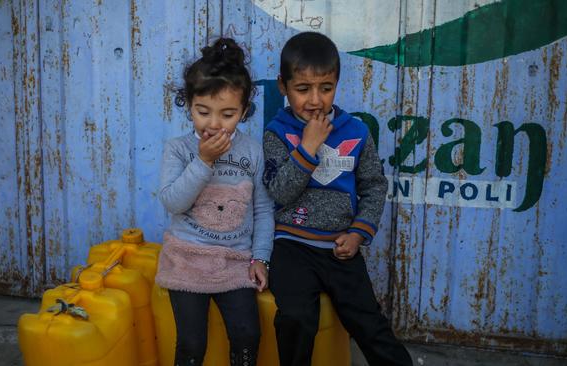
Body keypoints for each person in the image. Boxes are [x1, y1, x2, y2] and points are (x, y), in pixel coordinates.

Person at [262, 31, 413, 366]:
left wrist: (359, 232)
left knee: (368, 323)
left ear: (336, 85)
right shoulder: (276, 133)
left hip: (340, 248)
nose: (315, 100)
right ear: (282, 87)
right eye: (303, 89)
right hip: (292, 245)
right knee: (296, 319)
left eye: (326, 88)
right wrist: (308, 147)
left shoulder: (356, 131)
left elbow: (374, 185)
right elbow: (280, 191)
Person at [155, 38, 274, 366]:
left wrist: (261, 258)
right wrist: (203, 162)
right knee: (192, 343)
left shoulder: (252, 150)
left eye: (228, 113)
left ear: (244, 111)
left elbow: (262, 208)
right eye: (203, 111)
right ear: (189, 104)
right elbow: (173, 202)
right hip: (186, 258)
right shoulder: (179, 149)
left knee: (248, 334)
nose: (214, 124)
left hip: (235, 261)